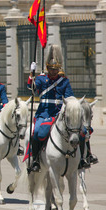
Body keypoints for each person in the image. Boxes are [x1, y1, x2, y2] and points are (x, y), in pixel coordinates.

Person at [27, 44, 73, 172]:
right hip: (44, 113)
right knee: (36, 132)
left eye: (56, 69)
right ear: (47, 68)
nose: (54, 72)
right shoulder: (42, 79)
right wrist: (32, 74)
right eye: (52, 69)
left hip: (59, 113)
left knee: (78, 131)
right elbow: (31, 88)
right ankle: (35, 160)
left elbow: (69, 98)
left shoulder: (64, 81)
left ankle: (82, 158)